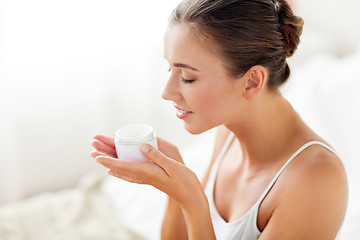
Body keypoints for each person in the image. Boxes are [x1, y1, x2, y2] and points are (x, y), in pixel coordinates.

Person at [91, 0, 348, 239]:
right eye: (171, 69)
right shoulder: (229, 133)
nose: (166, 93)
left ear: (252, 81)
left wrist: (193, 201)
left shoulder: (317, 180)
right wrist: (176, 189)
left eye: (188, 78)